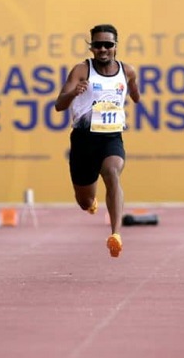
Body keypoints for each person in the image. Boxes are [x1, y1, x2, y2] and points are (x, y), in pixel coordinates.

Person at [55, 24, 141, 258]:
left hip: (111, 137)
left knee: (112, 173)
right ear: (91, 47)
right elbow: (59, 105)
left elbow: (134, 92)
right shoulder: (82, 70)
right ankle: (91, 202)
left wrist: (134, 95)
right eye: (97, 45)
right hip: (84, 140)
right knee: (84, 201)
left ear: (116, 46)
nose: (103, 49)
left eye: (108, 44)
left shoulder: (127, 70)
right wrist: (74, 93)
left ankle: (115, 234)